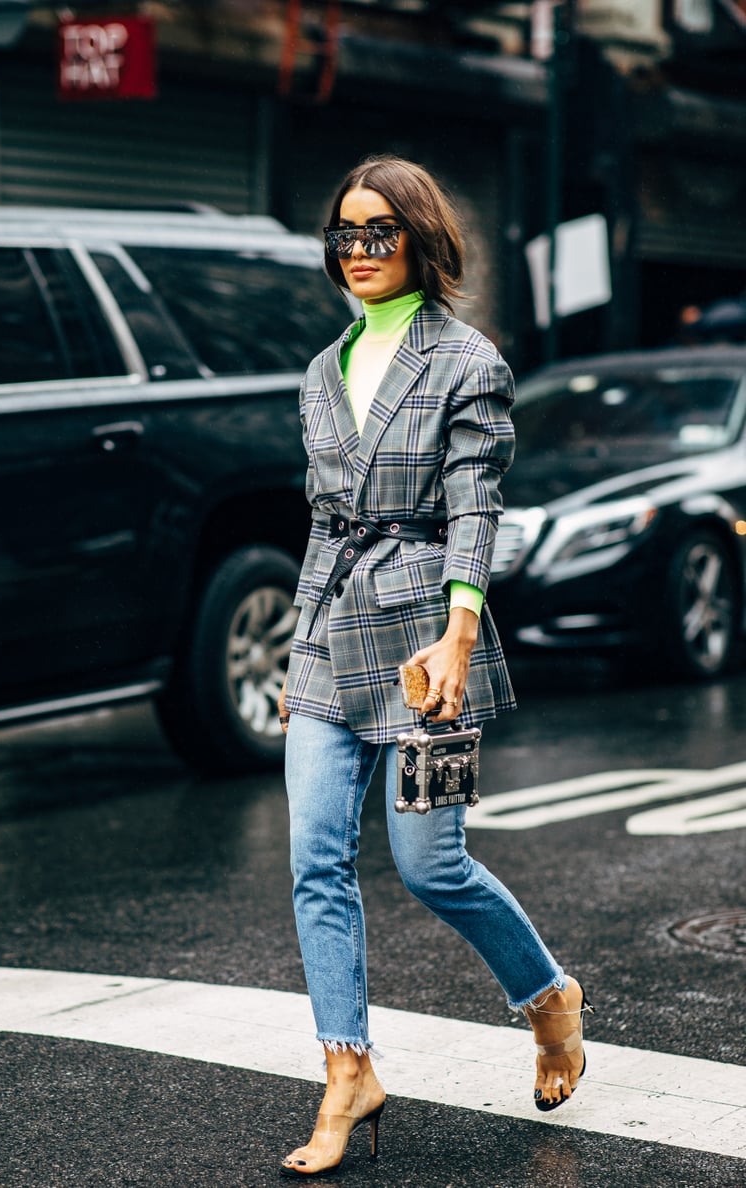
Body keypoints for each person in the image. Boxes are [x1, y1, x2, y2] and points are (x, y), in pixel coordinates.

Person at [277, 154, 593, 1179]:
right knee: (314, 859)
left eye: (379, 232)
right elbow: (324, 526)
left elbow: (475, 508)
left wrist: (458, 633)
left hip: (423, 641)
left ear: (419, 239)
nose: (358, 250)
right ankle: (347, 1066)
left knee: (429, 865)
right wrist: (295, 651)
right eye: (344, 233)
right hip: (330, 635)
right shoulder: (321, 374)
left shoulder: (466, 360)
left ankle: (549, 999)